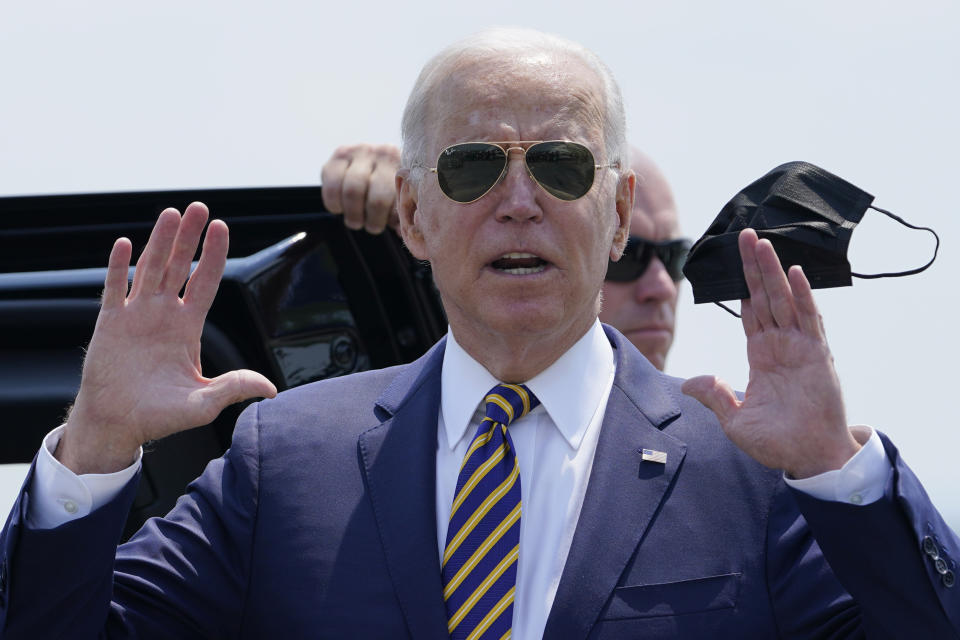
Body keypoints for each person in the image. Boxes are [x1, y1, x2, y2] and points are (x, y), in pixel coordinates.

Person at [1, 27, 958, 639]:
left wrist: (840, 472)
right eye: (470, 169)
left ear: (619, 212)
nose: (518, 203)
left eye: (560, 166)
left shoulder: (748, 474)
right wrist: (93, 449)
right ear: (415, 217)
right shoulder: (283, 460)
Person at [322, 144, 688, 371]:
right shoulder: (423, 411)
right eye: (628, 258)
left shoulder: (727, 445)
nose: (660, 287)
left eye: (674, 258)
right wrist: (426, 203)